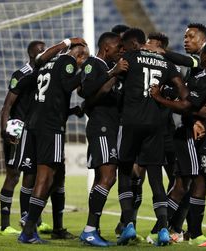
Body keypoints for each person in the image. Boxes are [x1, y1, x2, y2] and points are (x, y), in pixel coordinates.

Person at [150, 38, 206, 247]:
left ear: (205, 56)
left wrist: (159, 97)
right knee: (200, 182)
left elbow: (185, 105)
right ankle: (194, 231)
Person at [116, 28, 188, 246]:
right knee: (156, 178)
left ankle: (128, 224)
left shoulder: (130, 56)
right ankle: (164, 229)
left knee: (126, 172)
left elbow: (115, 78)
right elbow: (184, 95)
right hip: (156, 126)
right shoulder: (168, 65)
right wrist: (166, 97)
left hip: (130, 123)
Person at [18, 41, 89, 244]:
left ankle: (47, 227)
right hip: (51, 128)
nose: (81, 63)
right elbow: (67, 85)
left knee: (56, 176)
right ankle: (29, 230)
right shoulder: (67, 61)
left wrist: (71, 111)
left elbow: (51, 93)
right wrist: (85, 71)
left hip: (34, 125)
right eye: (83, 60)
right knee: (45, 178)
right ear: (79, 56)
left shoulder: (47, 62)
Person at [78, 32, 128, 247]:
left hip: (109, 127)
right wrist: (112, 73)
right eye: (118, 48)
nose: (121, 52)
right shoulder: (93, 64)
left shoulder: (108, 68)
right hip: (102, 127)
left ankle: (93, 228)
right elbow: (86, 92)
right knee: (108, 177)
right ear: (107, 48)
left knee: (103, 178)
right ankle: (89, 230)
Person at [0, 40, 50, 235]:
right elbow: (7, 106)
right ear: (33, 55)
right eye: (42, 51)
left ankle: (27, 218)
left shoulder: (44, 74)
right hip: (17, 129)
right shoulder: (22, 74)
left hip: (34, 130)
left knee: (33, 175)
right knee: (13, 175)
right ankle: (4, 225)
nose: (46, 53)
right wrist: (6, 131)